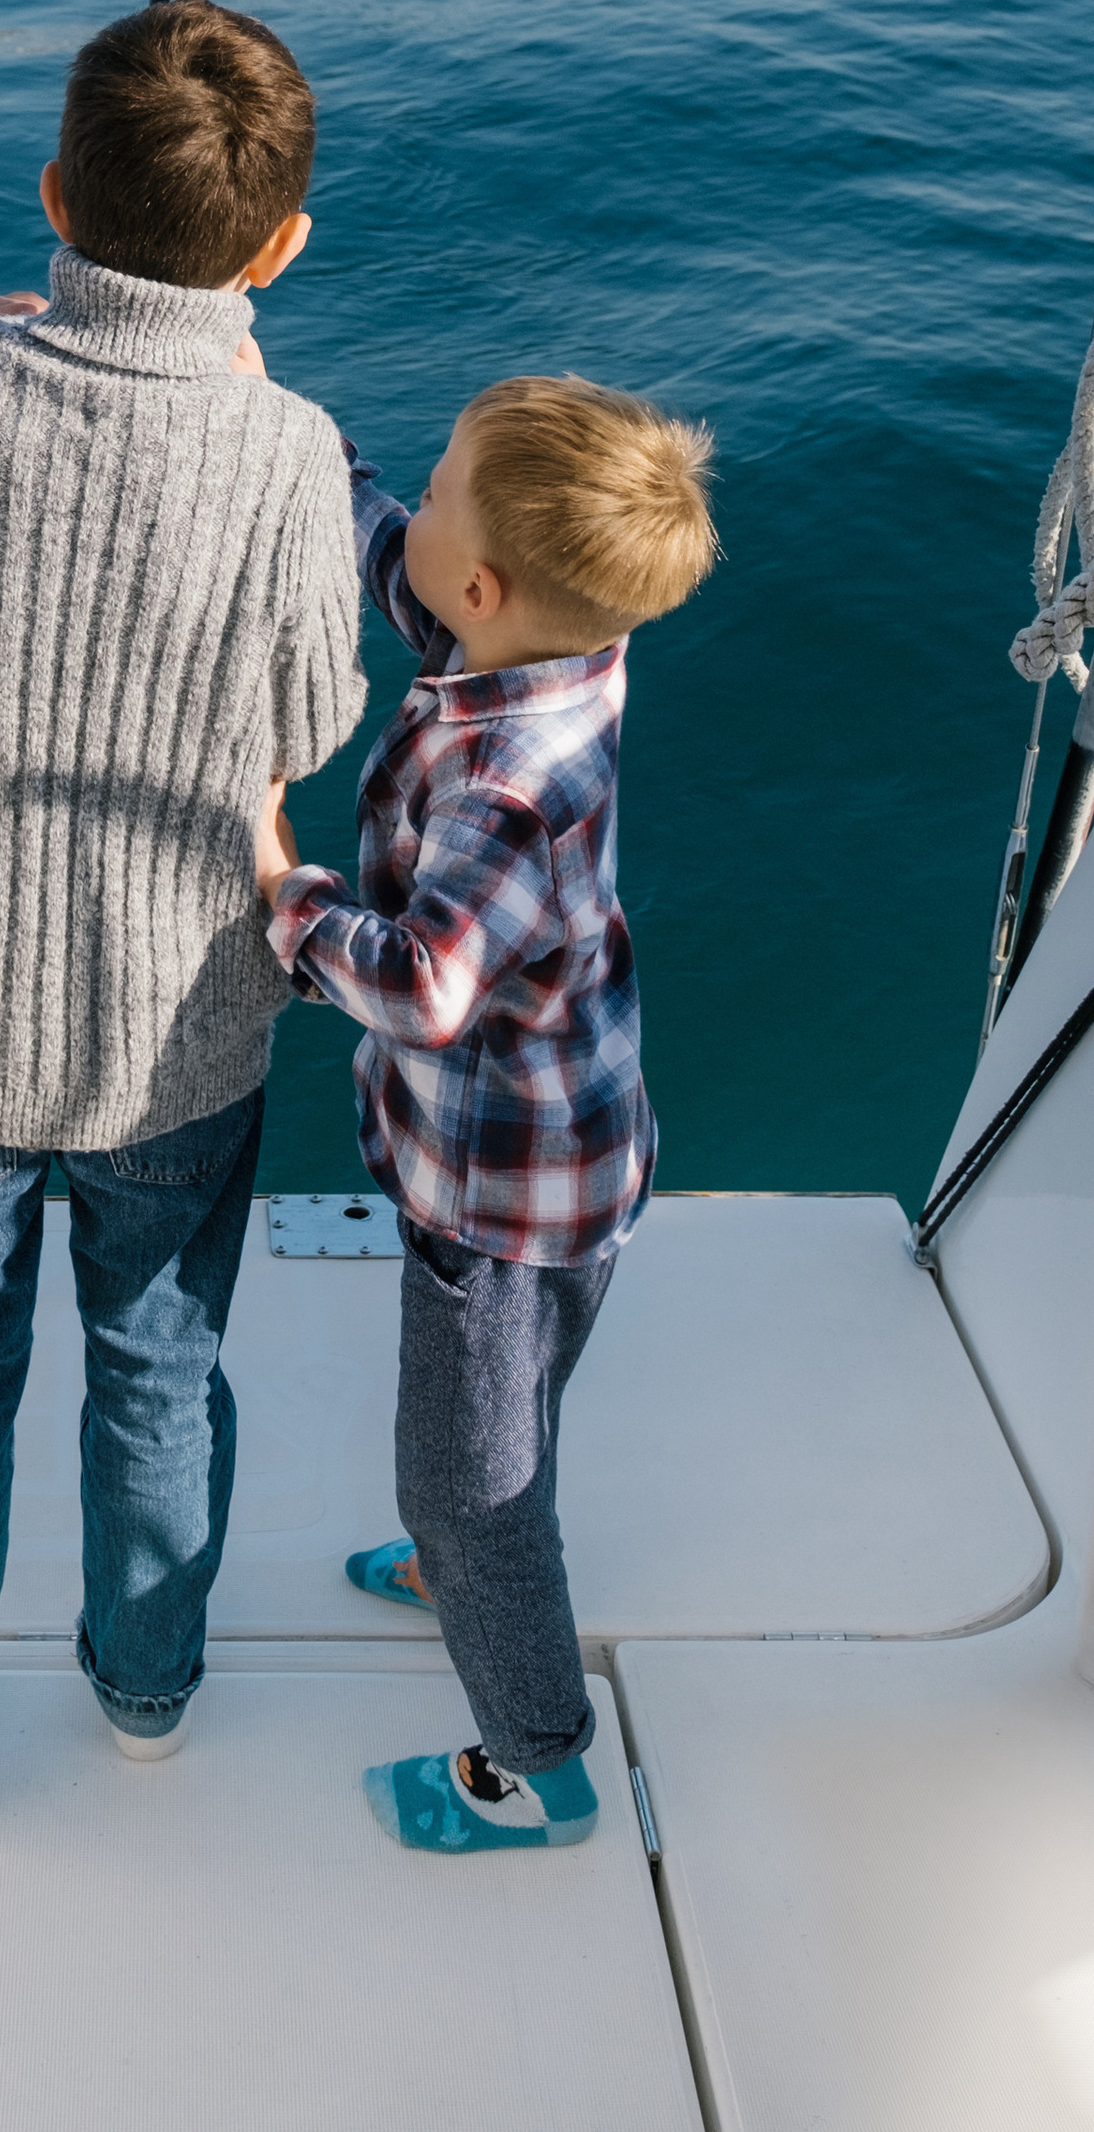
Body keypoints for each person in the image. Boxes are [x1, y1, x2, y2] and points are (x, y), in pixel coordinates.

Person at [0, 0, 367, 1820]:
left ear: (51, 192)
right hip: (181, 1036)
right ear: (280, 247)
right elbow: (315, 717)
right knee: (159, 1374)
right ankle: (148, 1688)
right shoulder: (289, 451)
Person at [259, 373, 717, 1853]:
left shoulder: (513, 785)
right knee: (515, 1402)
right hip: (566, 1151)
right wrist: (292, 430)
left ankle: (537, 1763)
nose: (418, 512)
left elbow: (419, 990)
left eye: (441, 491)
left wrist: (283, 888)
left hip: (501, 1198)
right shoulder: (553, 644)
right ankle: (468, 1572)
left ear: (486, 584)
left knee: (468, 1480)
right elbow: (399, 549)